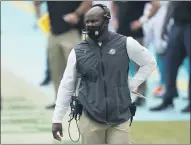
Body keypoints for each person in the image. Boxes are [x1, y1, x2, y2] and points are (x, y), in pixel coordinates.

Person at [52, 4, 157, 144]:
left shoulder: (125, 43)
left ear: (106, 21)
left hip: (119, 119)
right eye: (87, 21)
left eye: (94, 21)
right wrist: (57, 119)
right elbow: (67, 85)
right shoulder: (78, 52)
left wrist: (133, 83)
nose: (90, 24)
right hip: (90, 118)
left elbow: (149, 62)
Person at [33, 1, 92, 109]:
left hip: (71, 32)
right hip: (54, 32)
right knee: (55, 69)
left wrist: (77, 14)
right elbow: (36, 2)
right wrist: (39, 16)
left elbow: (88, 2)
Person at [150, 1, 191, 113]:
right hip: (176, 24)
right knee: (170, 63)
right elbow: (172, 4)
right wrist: (165, 24)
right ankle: (168, 98)